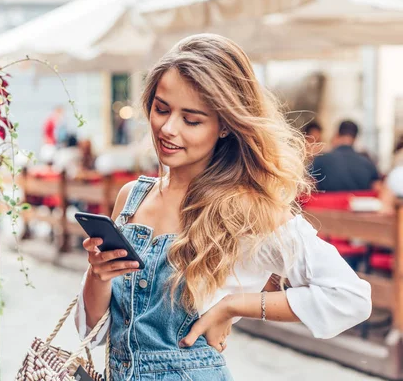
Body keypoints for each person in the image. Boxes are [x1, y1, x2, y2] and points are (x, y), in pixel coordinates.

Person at [73, 34, 371, 380]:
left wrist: (234, 305)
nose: (168, 129)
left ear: (226, 125)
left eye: (192, 119)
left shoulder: (245, 209)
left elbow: (350, 297)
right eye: (161, 109)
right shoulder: (131, 197)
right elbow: (93, 331)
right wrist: (99, 274)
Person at [311, 120, 381, 192]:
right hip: (357, 202)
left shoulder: (320, 159)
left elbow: (310, 186)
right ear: (355, 138)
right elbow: (377, 188)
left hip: (326, 203)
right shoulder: (368, 163)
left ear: (337, 134)